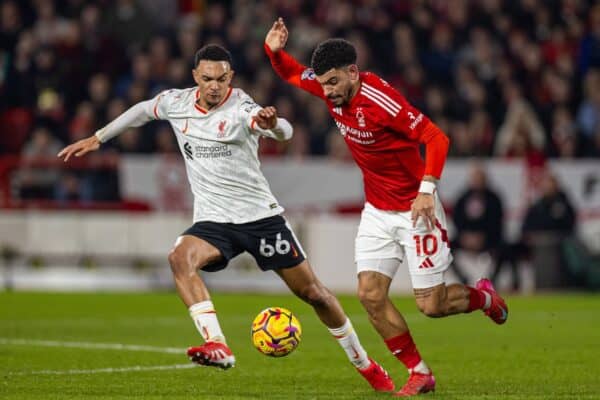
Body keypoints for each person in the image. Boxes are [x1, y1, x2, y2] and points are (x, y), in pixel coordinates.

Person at [57, 44, 394, 393]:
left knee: (315, 294)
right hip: (214, 222)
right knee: (179, 257)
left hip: (260, 219)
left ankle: (365, 365)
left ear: (230, 77)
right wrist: (99, 137)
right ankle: (217, 344)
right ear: (195, 78)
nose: (214, 86)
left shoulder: (241, 107)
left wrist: (272, 123)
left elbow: (286, 132)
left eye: (221, 79)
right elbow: (143, 110)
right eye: (207, 79)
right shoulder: (176, 102)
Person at [265, 18, 508, 397]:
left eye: (333, 83)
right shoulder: (332, 88)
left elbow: (436, 137)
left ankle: (484, 297)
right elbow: (294, 74)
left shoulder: (381, 101)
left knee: (432, 305)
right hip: (377, 211)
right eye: (323, 83)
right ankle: (419, 371)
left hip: (417, 210)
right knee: (369, 295)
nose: (326, 92)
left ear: (353, 72)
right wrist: (274, 51)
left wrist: (427, 190)